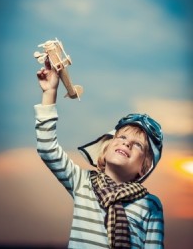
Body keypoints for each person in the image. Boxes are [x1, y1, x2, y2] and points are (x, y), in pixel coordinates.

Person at [34, 60, 164, 249]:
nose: (126, 142)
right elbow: (47, 149)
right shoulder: (82, 182)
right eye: (121, 137)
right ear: (106, 148)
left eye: (137, 145)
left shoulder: (150, 205)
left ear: (144, 167)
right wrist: (49, 92)